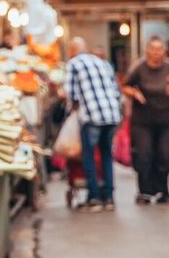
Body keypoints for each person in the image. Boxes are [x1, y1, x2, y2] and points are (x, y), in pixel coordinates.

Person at [123, 37, 169, 205]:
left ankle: (163, 190)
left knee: (165, 155)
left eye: (160, 49)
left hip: (165, 120)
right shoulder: (139, 68)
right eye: (154, 49)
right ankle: (145, 191)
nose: (157, 53)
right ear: (147, 50)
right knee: (144, 154)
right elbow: (125, 86)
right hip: (142, 121)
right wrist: (134, 94)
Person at [65, 37, 122, 212]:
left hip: (91, 115)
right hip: (111, 114)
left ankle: (94, 197)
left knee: (88, 156)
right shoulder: (102, 63)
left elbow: (71, 93)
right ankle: (109, 197)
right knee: (106, 154)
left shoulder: (73, 64)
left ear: (72, 50)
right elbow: (116, 90)